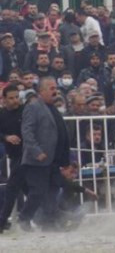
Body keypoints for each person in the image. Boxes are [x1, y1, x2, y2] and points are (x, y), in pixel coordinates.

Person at [18, 77, 70, 231]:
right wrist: (37, 151)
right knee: (37, 192)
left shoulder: (53, 108)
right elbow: (27, 132)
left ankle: (49, 222)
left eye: (56, 88)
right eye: (51, 88)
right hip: (38, 160)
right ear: (41, 91)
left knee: (52, 191)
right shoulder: (33, 107)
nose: (55, 91)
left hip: (53, 159)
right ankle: (24, 218)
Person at [0, 84, 26, 233]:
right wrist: (6, 137)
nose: (15, 101)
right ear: (4, 99)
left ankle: (2, 222)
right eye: (11, 98)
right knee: (28, 189)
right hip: (15, 155)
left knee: (11, 189)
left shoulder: (25, 111)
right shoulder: (2, 114)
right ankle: (48, 215)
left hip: (27, 154)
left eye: (17, 97)